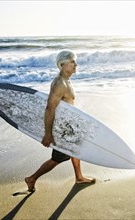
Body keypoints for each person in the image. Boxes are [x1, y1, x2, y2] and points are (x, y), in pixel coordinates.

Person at [25, 50, 96, 191]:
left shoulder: (66, 81)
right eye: (72, 61)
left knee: (76, 150)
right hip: (63, 128)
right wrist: (48, 134)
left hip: (69, 125)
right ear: (63, 64)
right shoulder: (59, 84)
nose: (76, 64)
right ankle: (31, 178)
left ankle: (79, 177)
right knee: (58, 158)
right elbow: (49, 109)